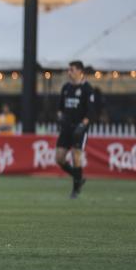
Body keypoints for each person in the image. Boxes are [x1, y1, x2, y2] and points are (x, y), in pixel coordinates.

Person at [55, 61, 95, 199]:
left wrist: (82, 125)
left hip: (79, 128)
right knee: (59, 158)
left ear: (79, 71)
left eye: (71, 69)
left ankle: (75, 190)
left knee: (75, 156)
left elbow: (90, 112)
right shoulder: (66, 87)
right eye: (68, 70)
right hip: (66, 128)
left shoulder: (87, 88)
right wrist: (60, 118)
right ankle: (78, 177)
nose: (69, 72)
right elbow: (60, 108)